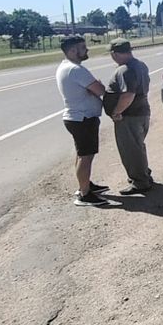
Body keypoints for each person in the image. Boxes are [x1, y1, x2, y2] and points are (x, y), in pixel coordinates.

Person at [55, 35, 108, 206]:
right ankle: (84, 194)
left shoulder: (66, 67)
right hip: (83, 118)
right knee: (86, 156)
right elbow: (99, 89)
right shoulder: (76, 70)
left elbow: (94, 90)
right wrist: (96, 87)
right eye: (83, 47)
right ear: (72, 51)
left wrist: (93, 89)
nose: (86, 50)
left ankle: (84, 185)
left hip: (77, 118)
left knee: (82, 154)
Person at [104, 38, 153, 194]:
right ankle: (143, 174)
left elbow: (128, 95)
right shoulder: (140, 65)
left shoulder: (125, 70)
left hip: (130, 116)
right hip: (141, 113)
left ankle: (140, 182)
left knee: (131, 150)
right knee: (137, 147)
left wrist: (117, 112)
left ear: (115, 53)